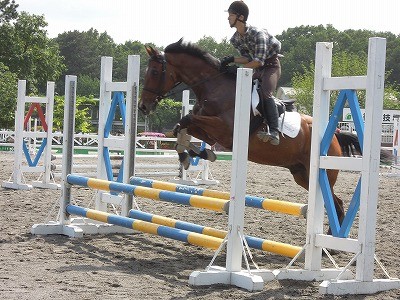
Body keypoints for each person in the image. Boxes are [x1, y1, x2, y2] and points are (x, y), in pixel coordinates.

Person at [220, 0, 282, 145]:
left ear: (240, 17)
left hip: (271, 66)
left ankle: (274, 130)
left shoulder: (258, 33)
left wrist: (240, 69)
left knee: (265, 93)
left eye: (230, 15)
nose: (228, 18)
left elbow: (259, 61)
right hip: (258, 68)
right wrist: (232, 59)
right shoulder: (235, 39)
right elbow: (248, 58)